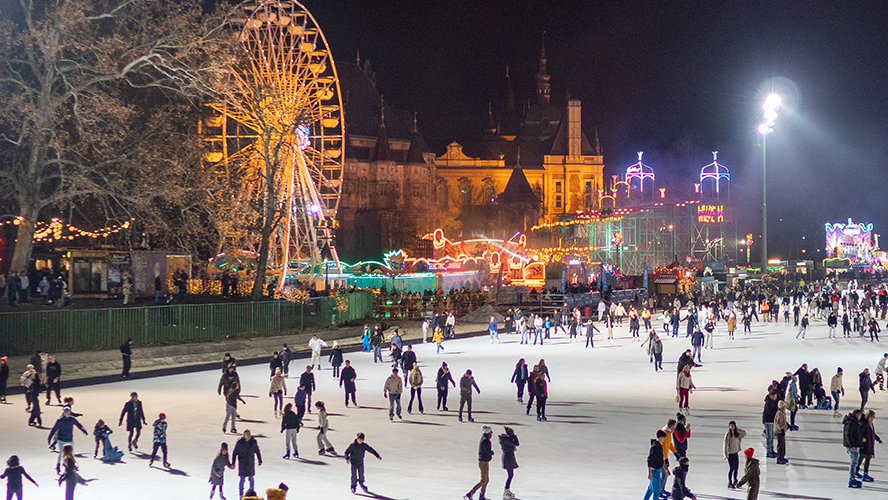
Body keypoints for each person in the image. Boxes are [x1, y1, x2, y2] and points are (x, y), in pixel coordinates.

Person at [48, 407, 87, 473]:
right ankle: (58, 466)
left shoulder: (72, 419)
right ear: (64, 413)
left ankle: (73, 465)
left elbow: (78, 425)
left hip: (69, 439)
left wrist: (83, 430)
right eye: (67, 413)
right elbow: (54, 429)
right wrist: (50, 437)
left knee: (72, 453)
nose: (68, 414)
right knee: (61, 453)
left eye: (69, 413)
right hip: (61, 439)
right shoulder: (60, 420)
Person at [464, 426, 494, 500]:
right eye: (491, 432)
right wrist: (491, 453)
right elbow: (487, 451)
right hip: (483, 461)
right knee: (483, 480)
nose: (492, 433)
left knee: (486, 480)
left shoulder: (484, 439)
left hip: (485, 461)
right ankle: (470, 493)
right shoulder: (486, 441)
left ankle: (482, 495)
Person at [232, 430, 262, 498]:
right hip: (242, 463)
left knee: (251, 478)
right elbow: (235, 452)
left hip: (250, 463)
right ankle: (241, 494)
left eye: (249, 434)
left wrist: (260, 460)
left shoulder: (253, 442)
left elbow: (257, 450)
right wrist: (233, 462)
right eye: (246, 434)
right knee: (242, 479)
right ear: (243, 435)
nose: (248, 436)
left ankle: (251, 492)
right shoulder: (240, 442)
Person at [857, 410, 881, 482]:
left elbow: (872, 433)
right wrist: (861, 438)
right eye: (873, 416)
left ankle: (862, 473)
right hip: (865, 445)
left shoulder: (870, 423)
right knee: (862, 459)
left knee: (865, 459)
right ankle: (862, 473)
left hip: (869, 445)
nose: (874, 418)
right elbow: (859, 432)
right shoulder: (864, 423)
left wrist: (877, 438)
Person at [844, 409, 865, 488]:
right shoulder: (850, 423)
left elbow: (856, 433)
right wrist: (851, 445)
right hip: (853, 446)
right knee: (853, 462)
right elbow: (848, 435)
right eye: (859, 415)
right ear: (856, 414)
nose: (860, 417)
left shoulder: (855, 422)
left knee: (854, 462)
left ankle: (852, 478)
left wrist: (861, 438)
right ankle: (851, 480)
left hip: (855, 445)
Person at [644, 430, 667, 500]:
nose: (665, 439)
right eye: (664, 437)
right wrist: (649, 473)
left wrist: (663, 465)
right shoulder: (655, 447)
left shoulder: (659, 446)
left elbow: (659, 458)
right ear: (660, 437)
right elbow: (650, 459)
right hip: (655, 470)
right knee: (656, 490)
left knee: (651, 488)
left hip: (657, 469)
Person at [499, 426, 520, 500]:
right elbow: (516, 443)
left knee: (511, 474)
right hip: (508, 458)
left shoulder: (506, 438)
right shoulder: (506, 439)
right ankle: (506, 491)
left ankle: (507, 490)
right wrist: (514, 436)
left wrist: (513, 435)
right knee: (510, 475)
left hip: (509, 457)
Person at [724, 421, 746, 489]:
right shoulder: (728, 434)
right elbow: (725, 444)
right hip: (730, 454)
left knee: (736, 468)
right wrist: (725, 454)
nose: (731, 427)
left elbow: (744, 434)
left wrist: (737, 429)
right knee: (732, 468)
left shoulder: (737, 434)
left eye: (733, 426)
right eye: (730, 426)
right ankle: (730, 482)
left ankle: (735, 480)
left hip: (735, 452)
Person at [762, 391, 778, 458]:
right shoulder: (768, 402)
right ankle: (768, 451)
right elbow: (770, 412)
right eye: (774, 396)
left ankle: (771, 450)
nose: (775, 397)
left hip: (772, 421)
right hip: (768, 421)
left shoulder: (773, 402)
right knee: (769, 436)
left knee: (772, 436)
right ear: (771, 396)